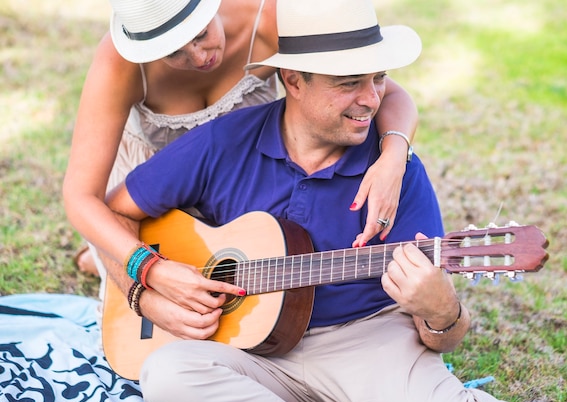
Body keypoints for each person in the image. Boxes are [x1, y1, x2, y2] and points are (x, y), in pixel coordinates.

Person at [103, 1, 567, 402]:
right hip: (241, 348)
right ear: (293, 81)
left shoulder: (397, 172)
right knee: (168, 374)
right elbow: (117, 211)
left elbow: (444, 338)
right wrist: (148, 286)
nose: (370, 99)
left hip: (366, 344)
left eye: (379, 78)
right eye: (348, 83)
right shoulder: (223, 142)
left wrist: (441, 310)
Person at [63, 0, 418, 282]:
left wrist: (393, 157)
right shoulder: (121, 62)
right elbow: (81, 197)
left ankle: (97, 257)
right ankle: (99, 258)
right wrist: (147, 265)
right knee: (142, 298)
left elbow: (380, 92)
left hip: (248, 176)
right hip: (155, 180)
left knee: (243, 276)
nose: (200, 57)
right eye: (173, 53)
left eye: (201, 33)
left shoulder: (270, 17)